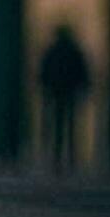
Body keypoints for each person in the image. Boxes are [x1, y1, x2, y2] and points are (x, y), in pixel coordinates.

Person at [38, 25, 90, 173]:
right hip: (69, 93)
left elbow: (44, 71)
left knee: (59, 128)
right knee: (70, 128)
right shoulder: (73, 51)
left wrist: (45, 88)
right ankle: (71, 159)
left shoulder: (53, 51)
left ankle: (58, 160)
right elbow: (82, 71)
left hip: (56, 93)